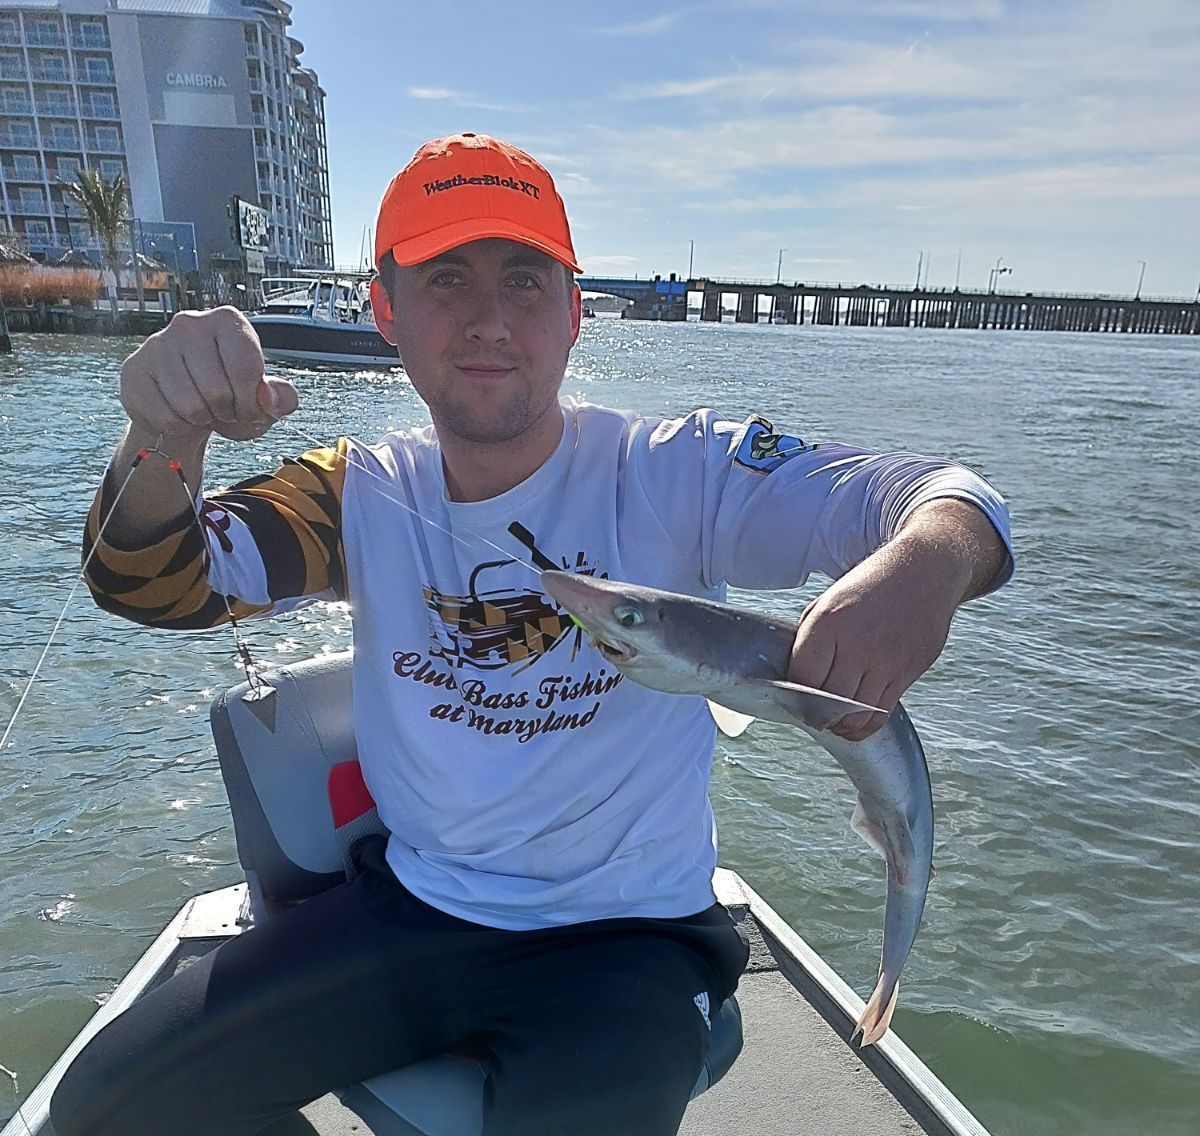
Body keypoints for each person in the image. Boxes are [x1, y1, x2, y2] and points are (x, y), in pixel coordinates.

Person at [52, 132, 1013, 1136]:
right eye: (446, 279)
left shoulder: (680, 469)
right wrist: (167, 433)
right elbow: (149, 585)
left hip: (630, 939)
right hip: (413, 910)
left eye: (523, 280)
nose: (488, 319)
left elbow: (947, 494)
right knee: (104, 1106)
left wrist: (929, 562)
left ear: (574, 313)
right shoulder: (357, 490)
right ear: (386, 310)